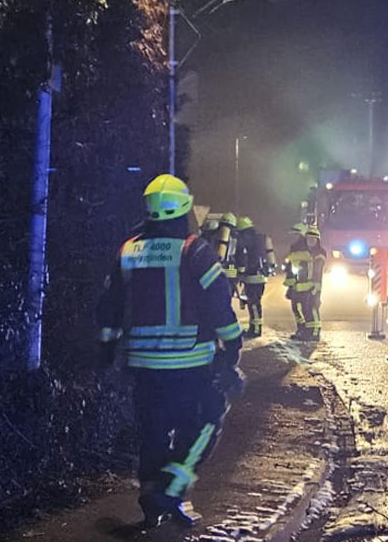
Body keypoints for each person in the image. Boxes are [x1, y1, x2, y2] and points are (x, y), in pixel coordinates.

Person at [97, 174, 245, 529]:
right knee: (207, 420)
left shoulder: (129, 250)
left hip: (143, 365)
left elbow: (110, 305)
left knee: (154, 431)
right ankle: (171, 488)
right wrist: (232, 347)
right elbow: (219, 306)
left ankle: (153, 502)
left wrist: (106, 346)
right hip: (190, 363)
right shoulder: (195, 251)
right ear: (184, 209)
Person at [232, 216, 272, 338]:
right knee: (254, 303)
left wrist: (239, 274)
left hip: (251, 276)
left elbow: (242, 258)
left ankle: (255, 329)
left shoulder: (245, 240)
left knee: (253, 304)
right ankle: (254, 327)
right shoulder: (260, 238)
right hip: (261, 276)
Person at [283, 222, 315, 340]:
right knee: (297, 309)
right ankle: (302, 330)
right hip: (298, 285)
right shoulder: (296, 248)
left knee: (302, 309)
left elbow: (297, 267)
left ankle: (305, 331)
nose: (293, 237)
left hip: (303, 286)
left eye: (295, 234)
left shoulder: (302, 249)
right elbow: (291, 269)